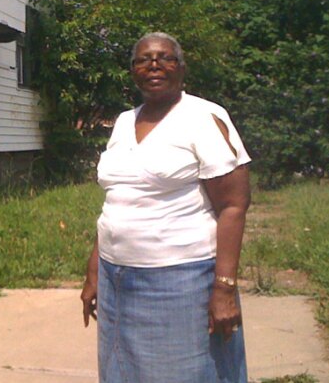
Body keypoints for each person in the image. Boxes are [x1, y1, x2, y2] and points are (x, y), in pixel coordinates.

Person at [80, 32, 251, 383]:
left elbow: (234, 205)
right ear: (132, 71)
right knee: (122, 372)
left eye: (165, 57)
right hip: (117, 278)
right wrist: (95, 273)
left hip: (180, 280)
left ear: (182, 68)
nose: (154, 65)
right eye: (143, 59)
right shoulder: (124, 122)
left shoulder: (204, 117)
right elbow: (118, 198)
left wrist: (224, 288)